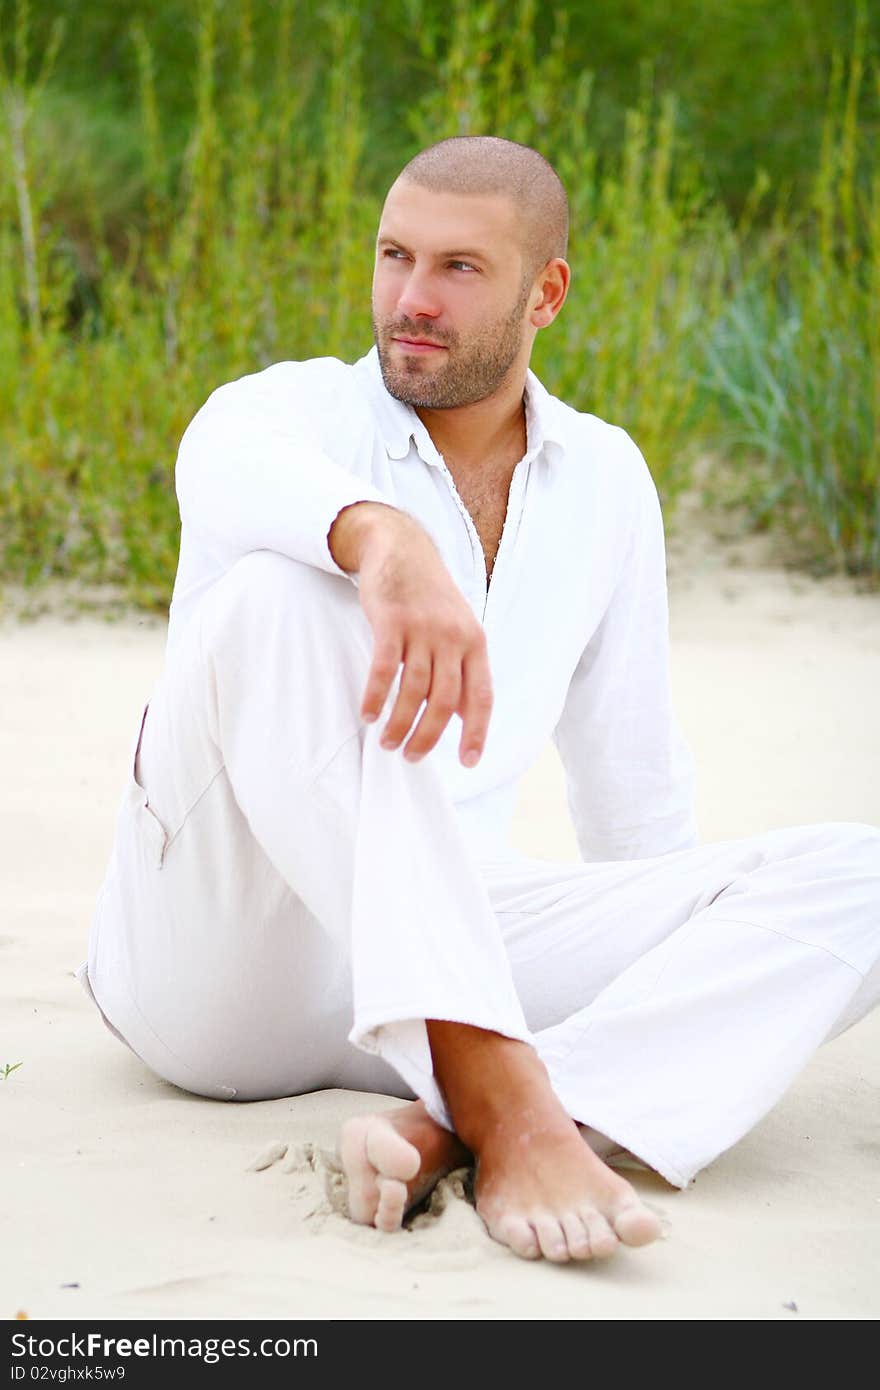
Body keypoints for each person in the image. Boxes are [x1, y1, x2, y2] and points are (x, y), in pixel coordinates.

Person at [79, 136, 880, 1265]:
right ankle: (501, 1089)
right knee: (275, 595)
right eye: (394, 255)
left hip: (445, 946)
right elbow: (219, 459)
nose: (410, 298)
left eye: (458, 268)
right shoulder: (292, 415)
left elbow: (632, 785)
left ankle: (467, 1116)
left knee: (859, 875)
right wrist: (382, 539)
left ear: (545, 292)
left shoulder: (604, 479)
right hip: (222, 965)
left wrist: (673, 952)